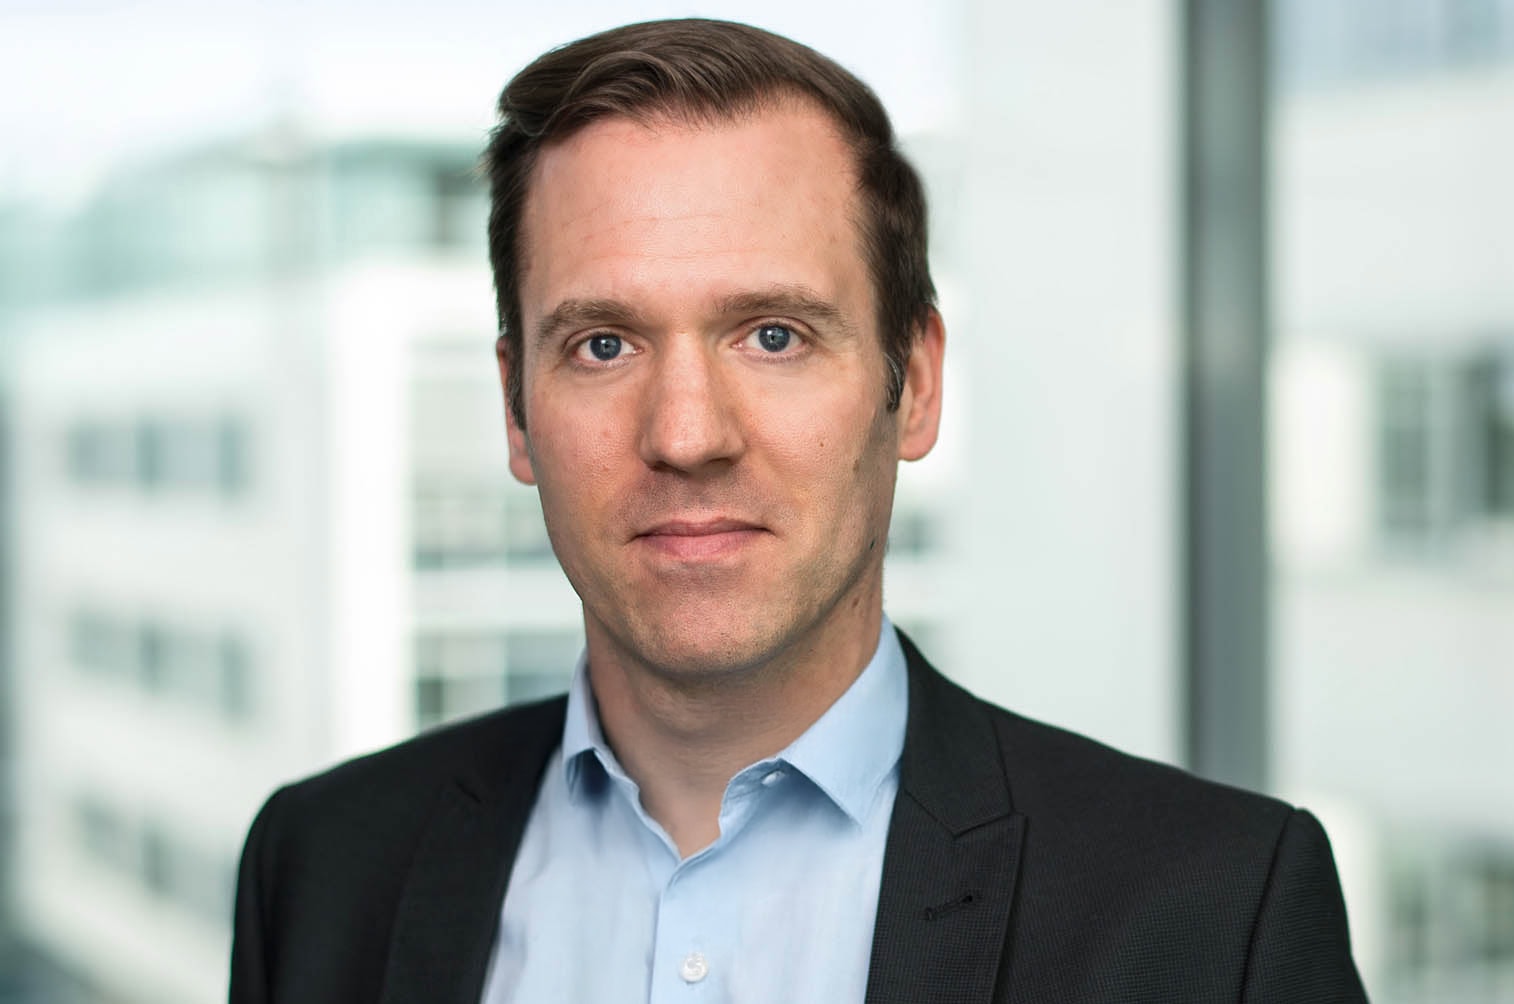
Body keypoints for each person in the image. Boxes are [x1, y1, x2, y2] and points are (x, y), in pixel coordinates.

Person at [228, 18, 1366, 1004]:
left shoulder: (1214, 918)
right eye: (603, 343)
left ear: (912, 380)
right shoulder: (323, 866)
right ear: (516, 410)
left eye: (772, 334)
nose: (686, 433)